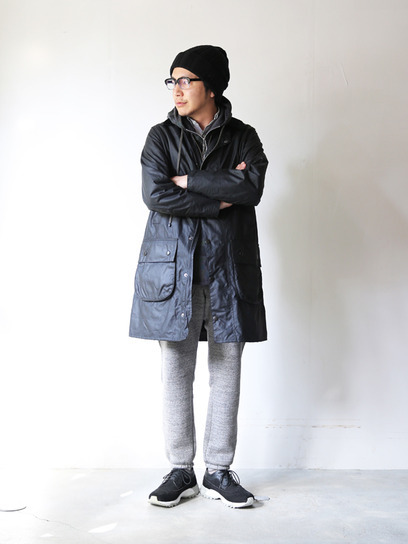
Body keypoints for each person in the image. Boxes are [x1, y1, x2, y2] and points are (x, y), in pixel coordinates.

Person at [129, 45, 268, 508]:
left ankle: (219, 470)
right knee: (176, 371)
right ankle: (180, 469)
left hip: (228, 270)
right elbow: (156, 195)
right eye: (173, 81)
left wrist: (188, 180)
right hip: (175, 273)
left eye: (186, 80)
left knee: (226, 370)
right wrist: (221, 195)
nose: (177, 89)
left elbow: (252, 187)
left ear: (211, 86)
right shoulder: (159, 136)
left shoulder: (244, 136)